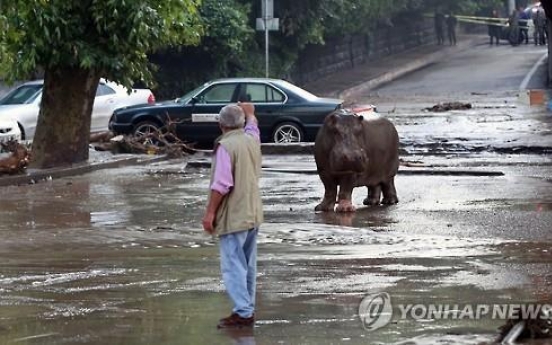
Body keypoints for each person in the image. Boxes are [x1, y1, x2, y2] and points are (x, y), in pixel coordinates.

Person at [202, 102, 263, 329]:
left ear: (221, 125)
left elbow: (221, 185)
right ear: (241, 123)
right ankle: (246, 308)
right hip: (253, 212)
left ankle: (243, 312)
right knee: (247, 264)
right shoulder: (251, 140)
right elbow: (253, 127)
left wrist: (210, 213)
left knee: (233, 265)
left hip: (234, 216)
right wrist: (250, 113)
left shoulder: (226, 146)